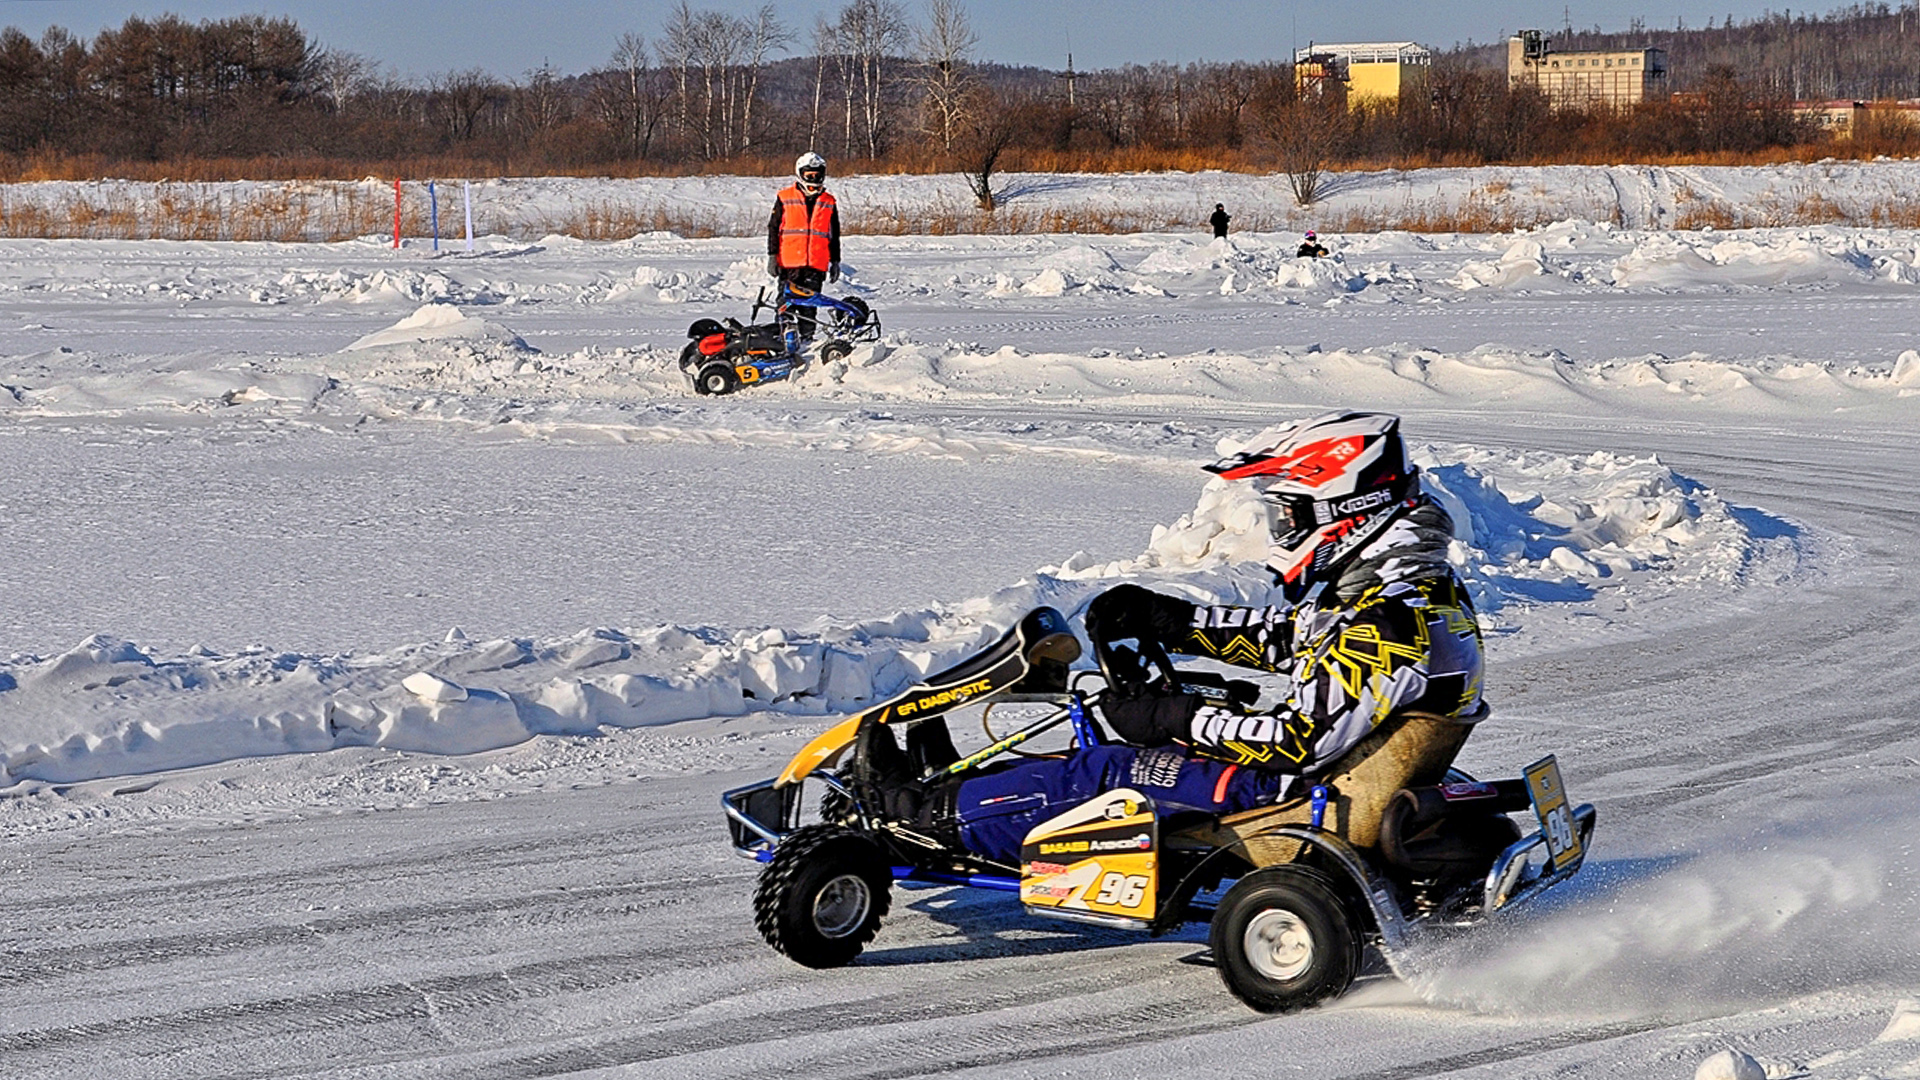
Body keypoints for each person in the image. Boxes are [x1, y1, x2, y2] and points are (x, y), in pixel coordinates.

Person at [861, 411, 1486, 866]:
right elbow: (1298, 640)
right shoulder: (1412, 597)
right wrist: (1174, 623)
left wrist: (1174, 715)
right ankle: (962, 792)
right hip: (1326, 780)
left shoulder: (1389, 622)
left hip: (1286, 795)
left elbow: (1296, 739)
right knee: (1108, 748)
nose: (1281, 528)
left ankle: (923, 817)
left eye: (1290, 514)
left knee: (1100, 774)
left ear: (1347, 514)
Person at [768, 151, 842, 344]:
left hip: (815, 265)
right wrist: (771, 255)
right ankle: (785, 342)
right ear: (800, 174)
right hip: (789, 264)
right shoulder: (785, 197)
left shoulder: (829, 202)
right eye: (809, 175)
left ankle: (807, 341)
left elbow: (834, 235)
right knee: (786, 305)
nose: (814, 179)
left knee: (809, 307)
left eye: (818, 174)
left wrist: (835, 261)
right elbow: (773, 228)